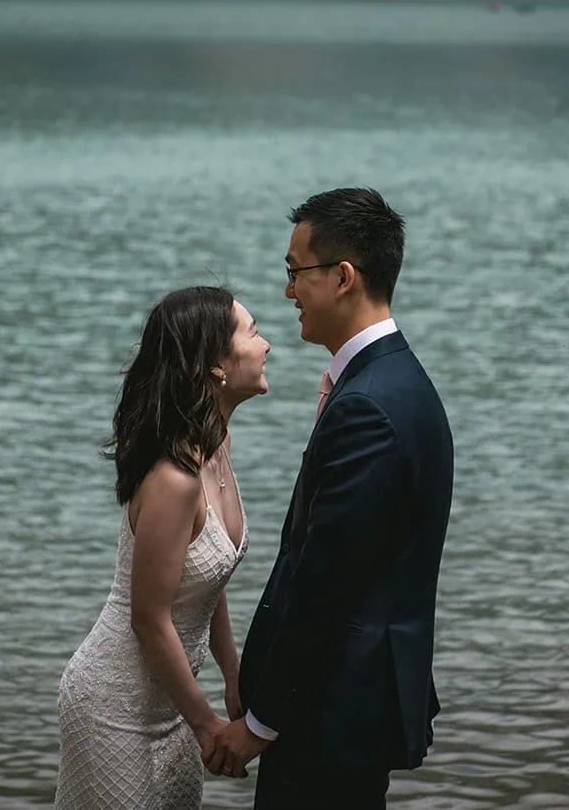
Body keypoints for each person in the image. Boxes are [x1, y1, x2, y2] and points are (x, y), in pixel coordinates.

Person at [209, 187, 455, 809]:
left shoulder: (369, 406)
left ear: (343, 277)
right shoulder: (397, 382)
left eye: (295, 272)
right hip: (349, 705)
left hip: (331, 710)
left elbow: (325, 580)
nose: (288, 290)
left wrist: (262, 724)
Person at [55, 286, 271, 809]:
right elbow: (149, 618)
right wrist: (208, 726)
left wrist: (232, 670)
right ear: (216, 366)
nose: (266, 345)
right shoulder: (175, 478)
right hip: (115, 707)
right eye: (253, 332)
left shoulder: (216, 444)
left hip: (174, 701)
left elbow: (206, 575)